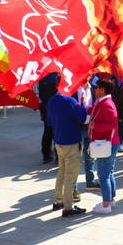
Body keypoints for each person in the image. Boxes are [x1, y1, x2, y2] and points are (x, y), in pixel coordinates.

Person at [47, 75, 87, 217]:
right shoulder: (70, 101)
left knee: (62, 172)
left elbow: (50, 122)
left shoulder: (51, 100)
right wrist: (83, 102)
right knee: (70, 176)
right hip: (71, 142)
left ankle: (59, 201)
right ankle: (68, 207)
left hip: (59, 141)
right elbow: (82, 118)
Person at [88, 78, 120, 214]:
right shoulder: (102, 102)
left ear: (102, 90)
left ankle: (106, 204)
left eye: (97, 88)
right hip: (108, 143)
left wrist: (96, 126)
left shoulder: (106, 103)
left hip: (106, 143)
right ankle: (110, 200)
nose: (95, 90)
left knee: (103, 175)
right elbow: (96, 112)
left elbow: (112, 124)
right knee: (108, 172)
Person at [77, 78, 99, 190]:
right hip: (77, 127)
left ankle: (90, 181)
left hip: (91, 127)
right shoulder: (73, 90)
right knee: (76, 157)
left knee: (90, 155)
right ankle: (73, 188)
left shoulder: (95, 89)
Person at [38, 73, 59, 163]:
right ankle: (58, 156)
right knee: (57, 131)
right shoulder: (56, 76)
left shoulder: (41, 77)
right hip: (55, 107)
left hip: (45, 107)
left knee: (47, 130)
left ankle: (46, 154)